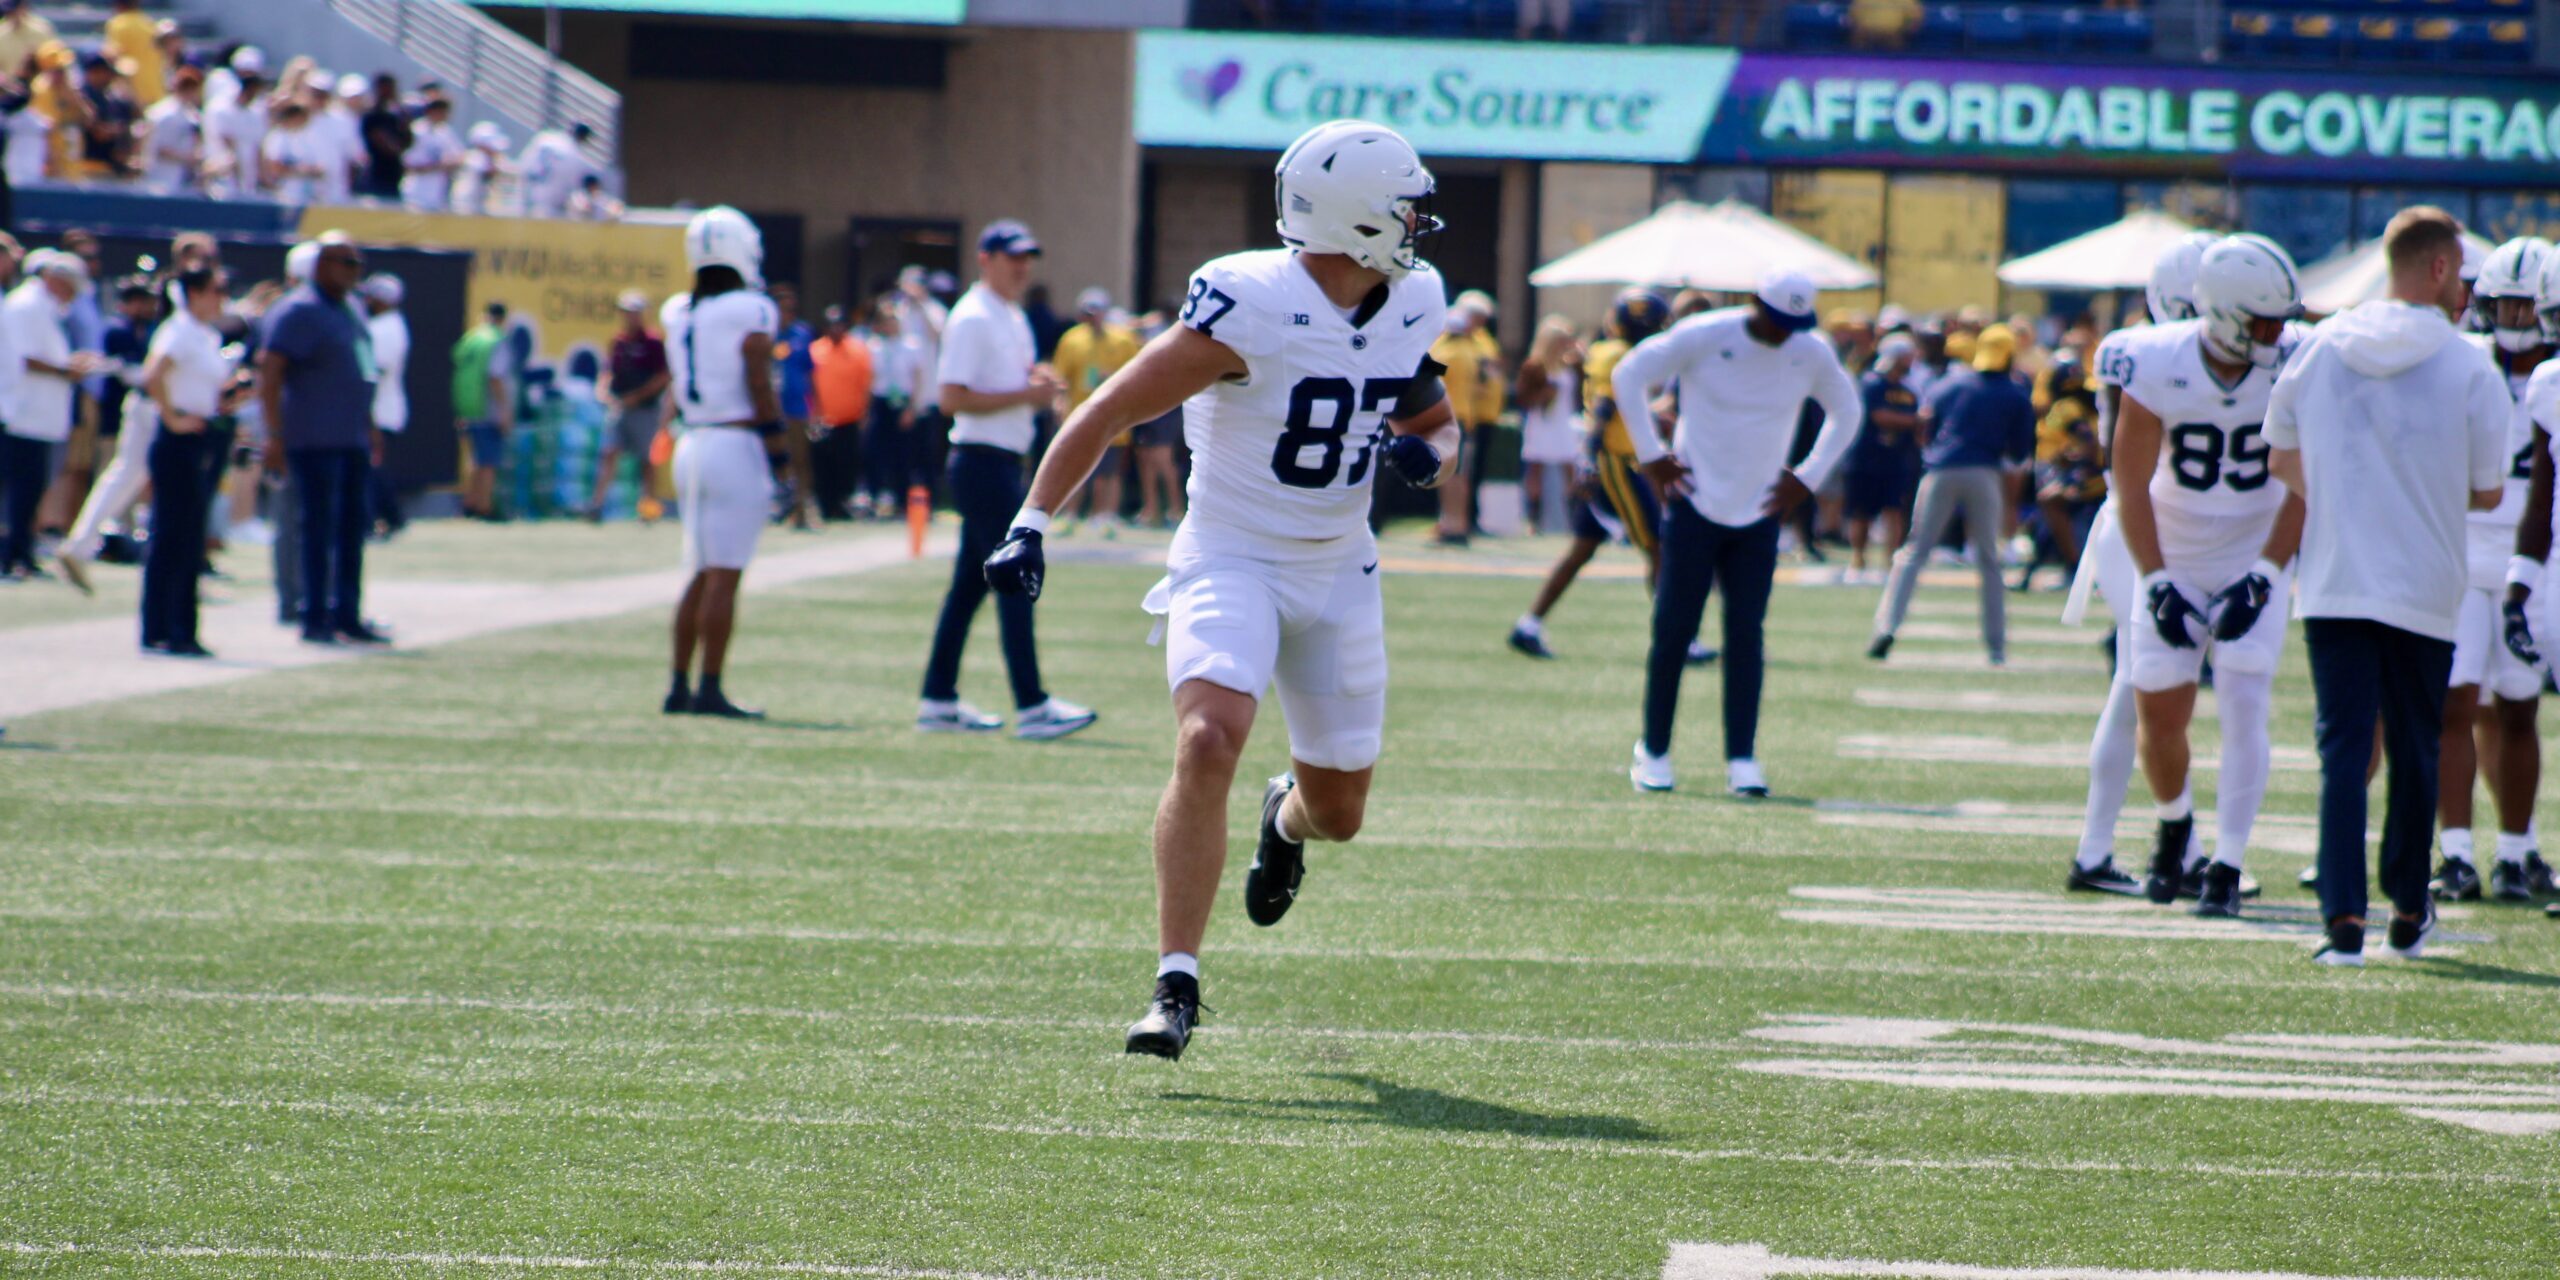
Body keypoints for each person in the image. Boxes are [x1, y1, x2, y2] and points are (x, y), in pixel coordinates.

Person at [980, 119, 1459, 1059]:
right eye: (1404, 203)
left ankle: (1283, 818)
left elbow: (1439, 426)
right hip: (1231, 557)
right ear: (1358, 216)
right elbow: (1111, 408)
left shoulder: (1413, 300)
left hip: (1340, 569)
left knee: (1339, 816)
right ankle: (1176, 984)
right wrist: (1029, 522)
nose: (1418, 220)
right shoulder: (1249, 302)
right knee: (1207, 740)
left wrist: (1428, 461)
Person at [2266, 206, 2511, 966]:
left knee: (2341, 751)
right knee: (2415, 746)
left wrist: (2345, 494)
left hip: (2336, 578)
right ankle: (2408, 908)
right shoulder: (2472, 363)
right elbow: (2490, 491)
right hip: (2427, 579)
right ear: (2438, 267)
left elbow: (2279, 458)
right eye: (2462, 270)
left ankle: (2341, 921)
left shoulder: (2321, 346)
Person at [2098, 235, 2308, 918]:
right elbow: (2129, 485)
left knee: (2245, 698)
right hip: (2175, 551)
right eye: (2261, 323)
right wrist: (2156, 579)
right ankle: (2175, 821)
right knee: (2158, 707)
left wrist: (2269, 573)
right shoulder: (2155, 358)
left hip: (2256, 548)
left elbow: (2304, 484)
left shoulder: (2301, 358)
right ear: (2220, 313)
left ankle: (2228, 862)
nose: (2276, 335)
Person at [1620, 269, 1863, 797]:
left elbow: (1847, 410)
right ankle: (1654, 751)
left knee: (1747, 637)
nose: (1783, 333)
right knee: (1673, 632)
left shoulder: (1811, 350)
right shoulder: (1707, 333)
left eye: (1794, 324)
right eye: (1776, 320)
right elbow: (1628, 374)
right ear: (1755, 302)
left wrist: (1807, 477)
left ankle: (1742, 760)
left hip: (1759, 514)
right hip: (1693, 504)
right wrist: (1651, 456)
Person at [2062, 234, 2214, 896]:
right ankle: (2113, 851)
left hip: (2167, 526)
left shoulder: (2158, 349)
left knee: (2148, 695)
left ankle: (2184, 846)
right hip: (2140, 525)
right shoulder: (2144, 355)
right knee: (2136, 687)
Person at [914, 219, 1092, 740]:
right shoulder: (972, 316)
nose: (1023, 266)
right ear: (984, 258)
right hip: (981, 460)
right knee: (1015, 576)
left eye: (1027, 256)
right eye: (1012, 256)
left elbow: (1001, 381)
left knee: (968, 589)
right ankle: (1032, 705)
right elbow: (951, 397)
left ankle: (937, 698)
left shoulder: (1007, 313)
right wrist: (1027, 395)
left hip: (997, 459)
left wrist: (1033, 383)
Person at [2423, 238, 2555, 903]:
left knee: (2519, 707)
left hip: (2532, 558)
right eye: (2504, 301)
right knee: (2456, 701)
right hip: (2460, 548)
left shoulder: (2555, 375)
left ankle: (2513, 849)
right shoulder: (2461, 361)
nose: (2513, 316)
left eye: (2526, 304)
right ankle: (2455, 853)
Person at [1508, 288, 1670, 660]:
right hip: (1615, 460)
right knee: (1658, 546)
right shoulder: (1618, 355)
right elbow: (1605, 407)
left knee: (1582, 549)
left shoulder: (1612, 351)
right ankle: (1677, 638)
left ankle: (1528, 625)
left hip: (1611, 458)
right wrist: (1591, 456)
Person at [660, 206, 778, 720]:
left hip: (693, 442)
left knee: (698, 570)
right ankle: (709, 687)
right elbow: (757, 379)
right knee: (725, 575)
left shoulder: (676, 310)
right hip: (733, 441)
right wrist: (780, 449)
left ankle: (678, 685)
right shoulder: (751, 308)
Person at [1867, 323, 2038, 665]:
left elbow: (1926, 425)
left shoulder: (1950, 384)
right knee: (1989, 560)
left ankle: (1887, 627)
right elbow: (2020, 452)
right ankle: (1996, 646)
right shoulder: (2015, 392)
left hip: (1940, 470)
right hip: (1984, 473)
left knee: (1914, 551)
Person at [259, 232, 384, 646]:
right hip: (313, 437)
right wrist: (273, 432)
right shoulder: (299, 310)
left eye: (357, 265)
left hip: (350, 437)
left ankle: (347, 612)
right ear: (320, 265)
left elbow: (361, 369)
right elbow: (271, 372)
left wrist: (370, 423)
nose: (353, 272)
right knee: (315, 529)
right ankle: (314, 614)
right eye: (345, 263)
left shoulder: (350, 310)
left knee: (351, 529)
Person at [139, 268, 230, 656]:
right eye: (216, 290)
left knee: (177, 535)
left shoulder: (202, 334)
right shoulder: (179, 330)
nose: (222, 297)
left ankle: (161, 626)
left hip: (198, 433)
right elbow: (152, 374)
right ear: (193, 293)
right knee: (180, 537)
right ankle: (176, 628)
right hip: (180, 440)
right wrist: (173, 417)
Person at [54, 276, 157, 591]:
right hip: (136, 410)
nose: (147, 305)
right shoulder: (120, 329)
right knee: (123, 475)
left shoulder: (146, 328)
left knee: (125, 478)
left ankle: (84, 544)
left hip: (142, 407)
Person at [0, 249, 95, 579]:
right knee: (21, 489)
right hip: (22, 412)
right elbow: (25, 358)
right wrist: (66, 369)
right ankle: (13, 554)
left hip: (37, 415)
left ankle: (21, 551)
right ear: (53, 279)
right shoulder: (26, 305)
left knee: (31, 488)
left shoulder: (43, 308)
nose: (71, 294)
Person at [1050, 286, 1140, 533]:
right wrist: (1059, 407)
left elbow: (1136, 374)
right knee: (1075, 468)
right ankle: (1070, 515)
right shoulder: (1072, 339)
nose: (1093, 318)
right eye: (1088, 313)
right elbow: (1061, 379)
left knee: (1109, 471)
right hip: (1079, 415)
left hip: (1113, 416)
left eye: (1097, 312)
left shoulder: (1122, 339)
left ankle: (1105, 515)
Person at [1841, 333, 1921, 582]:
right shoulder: (1872, 383)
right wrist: (1914, 421)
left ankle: (1890, 563)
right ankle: (1858, 559)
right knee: (1861, 512)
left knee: (1895, 510)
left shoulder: (1909, 389)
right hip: (1867, 457)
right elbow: (1880, 416)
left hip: (1895, 458)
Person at [591, 289, 668, 523]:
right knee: (609, 453)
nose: (629, 317)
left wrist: (639, 395)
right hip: (621, 407)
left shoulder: (653, 342)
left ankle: (647, 508)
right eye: (625, 312)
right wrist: (603, 389)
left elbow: (663, 376)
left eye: (633, 312)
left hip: (645, 409)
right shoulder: (619, 341)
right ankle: (597, 505)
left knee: (647, 461)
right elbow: (609, 371)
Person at [1513, 314, 1583, 533]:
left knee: (1570, 468)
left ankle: (1573, 516)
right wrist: (1544, 395)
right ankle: (1534, 519)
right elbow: (1523, 398)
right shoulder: (1535, 366)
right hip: (1542, 422)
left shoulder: (1571, 365)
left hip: (1564, 421)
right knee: (1536, 469)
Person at [807, 303, 871, 522]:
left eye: (840, 325)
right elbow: (810, 385)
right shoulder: (816, 350)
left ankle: (843, 505)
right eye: (832, 325)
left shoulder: (858, 350)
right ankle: (826, 505)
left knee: (847, 466)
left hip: (849, 419)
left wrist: (866, 413)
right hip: (822, 420)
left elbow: (866, 384)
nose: (836, 329)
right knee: (823, 466)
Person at [450, 302, 512, 520]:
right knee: (488, 460)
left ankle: (470, 502)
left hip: (467, 405)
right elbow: (495, 377)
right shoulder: (495, 340)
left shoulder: (471, 339)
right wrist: (504, 410)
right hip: (487, 408)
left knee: (475, 458)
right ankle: (484, 506)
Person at [863, 296, 923, 518]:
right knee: (875, 451)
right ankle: (875, 497)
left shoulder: (910, 345)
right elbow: (869, 379)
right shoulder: (874, 346)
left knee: (903, 454)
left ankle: (901, 501)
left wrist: (911, 408)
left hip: (902, 402)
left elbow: (917, 378)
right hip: (880, 401)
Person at [768, 281, 817, 530]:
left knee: (799, 461)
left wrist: (815, 408)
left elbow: (811, 372)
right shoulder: (766, 335)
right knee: (774, 461)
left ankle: (801, 510)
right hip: (770, 411)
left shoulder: (802, 333)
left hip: (797, 407)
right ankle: (775, 508)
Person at [362, 273, 408, 539]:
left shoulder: (385, 329)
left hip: (379, 411)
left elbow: (374, 375)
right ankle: (388, 518)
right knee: (373, 470)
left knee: (371, 470)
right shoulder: (388, 324)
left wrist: (368, 416)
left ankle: (383, 518)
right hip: (379, 410)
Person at [137, 64, 200, 190]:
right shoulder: (164, 113)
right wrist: (187, 158)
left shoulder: (191, 114)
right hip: (160, 178)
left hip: (180, 178)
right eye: (186, 87)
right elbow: (159, 149)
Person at [517, 121, 596, 219]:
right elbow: (573, 187)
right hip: (549, 204)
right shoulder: (574, 154)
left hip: (526, 193)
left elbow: (524, 161)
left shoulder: (545, 137)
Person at [398, 93, 460, 212]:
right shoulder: (417, 130)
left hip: (436, 193)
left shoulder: (445, 131)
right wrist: (439, 166)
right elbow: (410, 164)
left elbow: (459, 156)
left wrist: (449, 163)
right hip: (416, 191)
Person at [359, 72, 408, 200]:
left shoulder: (394, 116)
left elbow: (408, 141)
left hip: (394, 176)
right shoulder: (371, 116)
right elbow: (387, 145)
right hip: (376, 175)